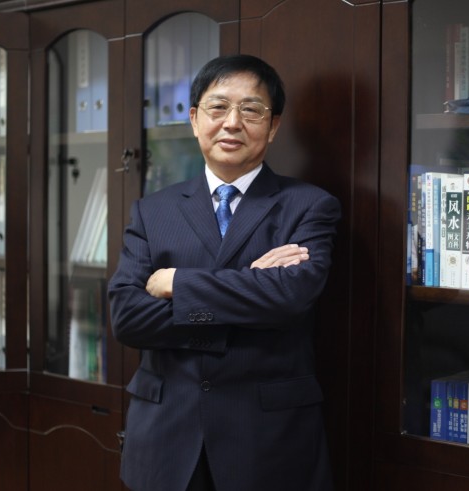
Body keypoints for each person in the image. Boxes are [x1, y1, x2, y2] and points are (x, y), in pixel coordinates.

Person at [108, 54, 341, 491]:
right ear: (195, 120)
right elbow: (127, 317)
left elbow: (290, 297)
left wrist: (177, 283)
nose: (232, 123)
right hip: (166, 440)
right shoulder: (152, 211)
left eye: (251, 110)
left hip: (268, 442)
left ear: (273, 126)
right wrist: (251, 289)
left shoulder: (309, 206)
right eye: (218, 107)